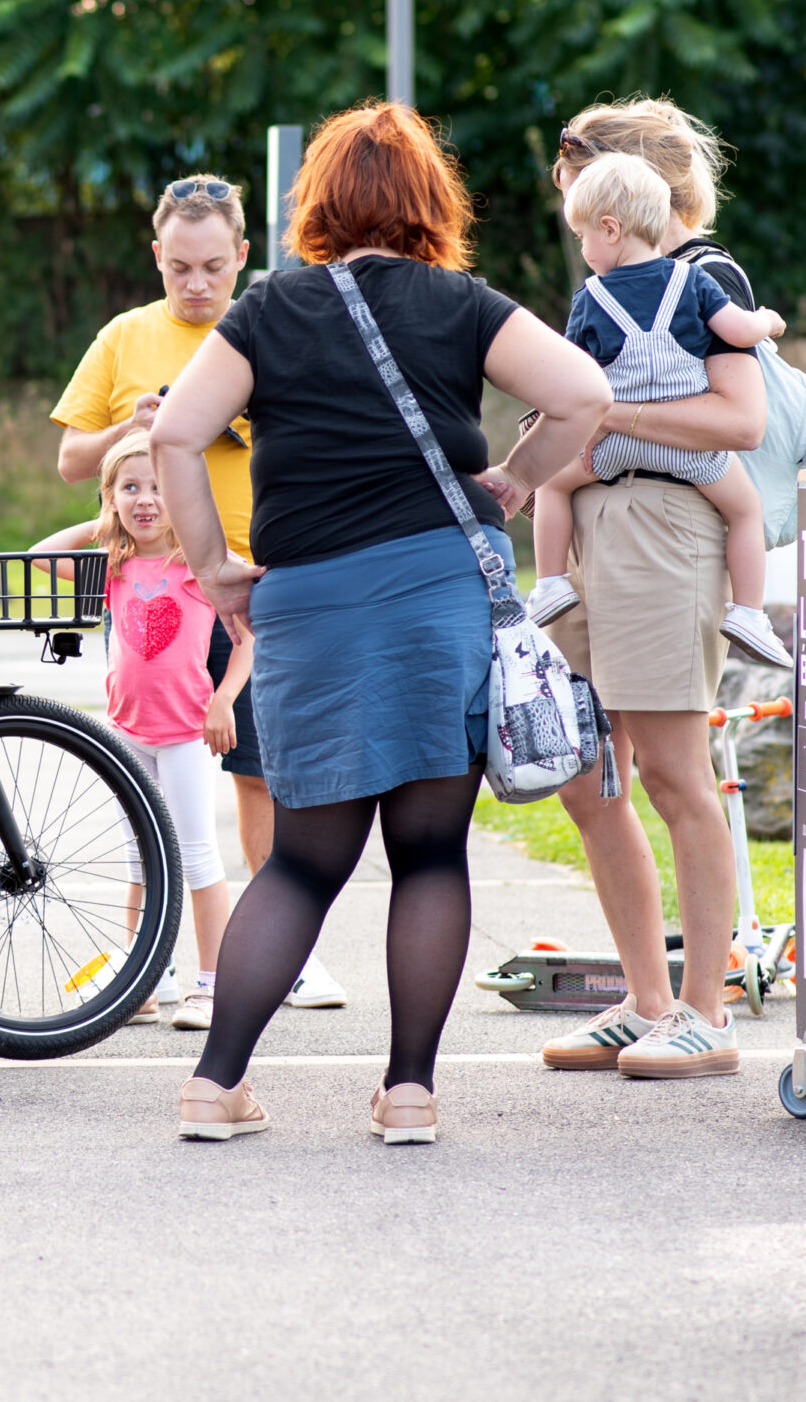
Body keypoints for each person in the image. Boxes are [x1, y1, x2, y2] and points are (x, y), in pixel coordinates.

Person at [148, 102, 611, 1143]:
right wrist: (513, 478)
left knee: (301, 861)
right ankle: (408, 1093)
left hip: (308, 604)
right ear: (429, 201)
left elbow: (176, 434)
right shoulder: (461, 303)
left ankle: (215, 1084)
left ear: (316, 201)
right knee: (430, 853)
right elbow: (584, 394)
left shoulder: (269, 309)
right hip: (437, 598)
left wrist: (215, 568)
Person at [52, 174, 348, 1011]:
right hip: (158, 595)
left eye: (213, 267)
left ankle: (286, 953)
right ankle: (142, 962)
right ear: (156, 256)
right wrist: (134, 426)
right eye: (179, 267)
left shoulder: (273, 328)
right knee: (144, 790)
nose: (195, 284)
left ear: (243, 256)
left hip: (259, 585)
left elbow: (328, 440)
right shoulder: (123, 336)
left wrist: (240, 420)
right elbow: (72, 463)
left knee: (264, 777)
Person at [531, 98, 769, 1082]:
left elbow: (740, 421)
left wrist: (606, 418)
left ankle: (706, 1011)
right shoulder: (608, 280)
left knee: (673, 774)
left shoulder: (708, 276)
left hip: (665, 529)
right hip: (595, 525)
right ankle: (646, 1000)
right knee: (590, 780)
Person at [526, 151, 794, 670]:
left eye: (582, 236)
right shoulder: (694, 281)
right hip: (690, 452)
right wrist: (769, 321)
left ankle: (551, 583)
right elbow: (740, 332)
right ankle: (748, 613)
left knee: (551, 485)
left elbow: (575, 381)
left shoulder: (589, 298)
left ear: (609, 229)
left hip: (616, 445)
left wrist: (585, 435)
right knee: (745, 510)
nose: (583, 248)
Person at [29, 431, 246, 1032]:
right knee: (138, 856)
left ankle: (212, 984)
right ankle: (145, 979)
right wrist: (104, 523)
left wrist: (224, 700)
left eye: (158, 486)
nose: (145, 499)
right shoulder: (112, 565)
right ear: (110, 497)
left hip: (185, 732)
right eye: (130, 488)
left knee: (196, 857)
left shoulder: (199, 564)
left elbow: (249, 639)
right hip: (129, 732)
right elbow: (40, 553)